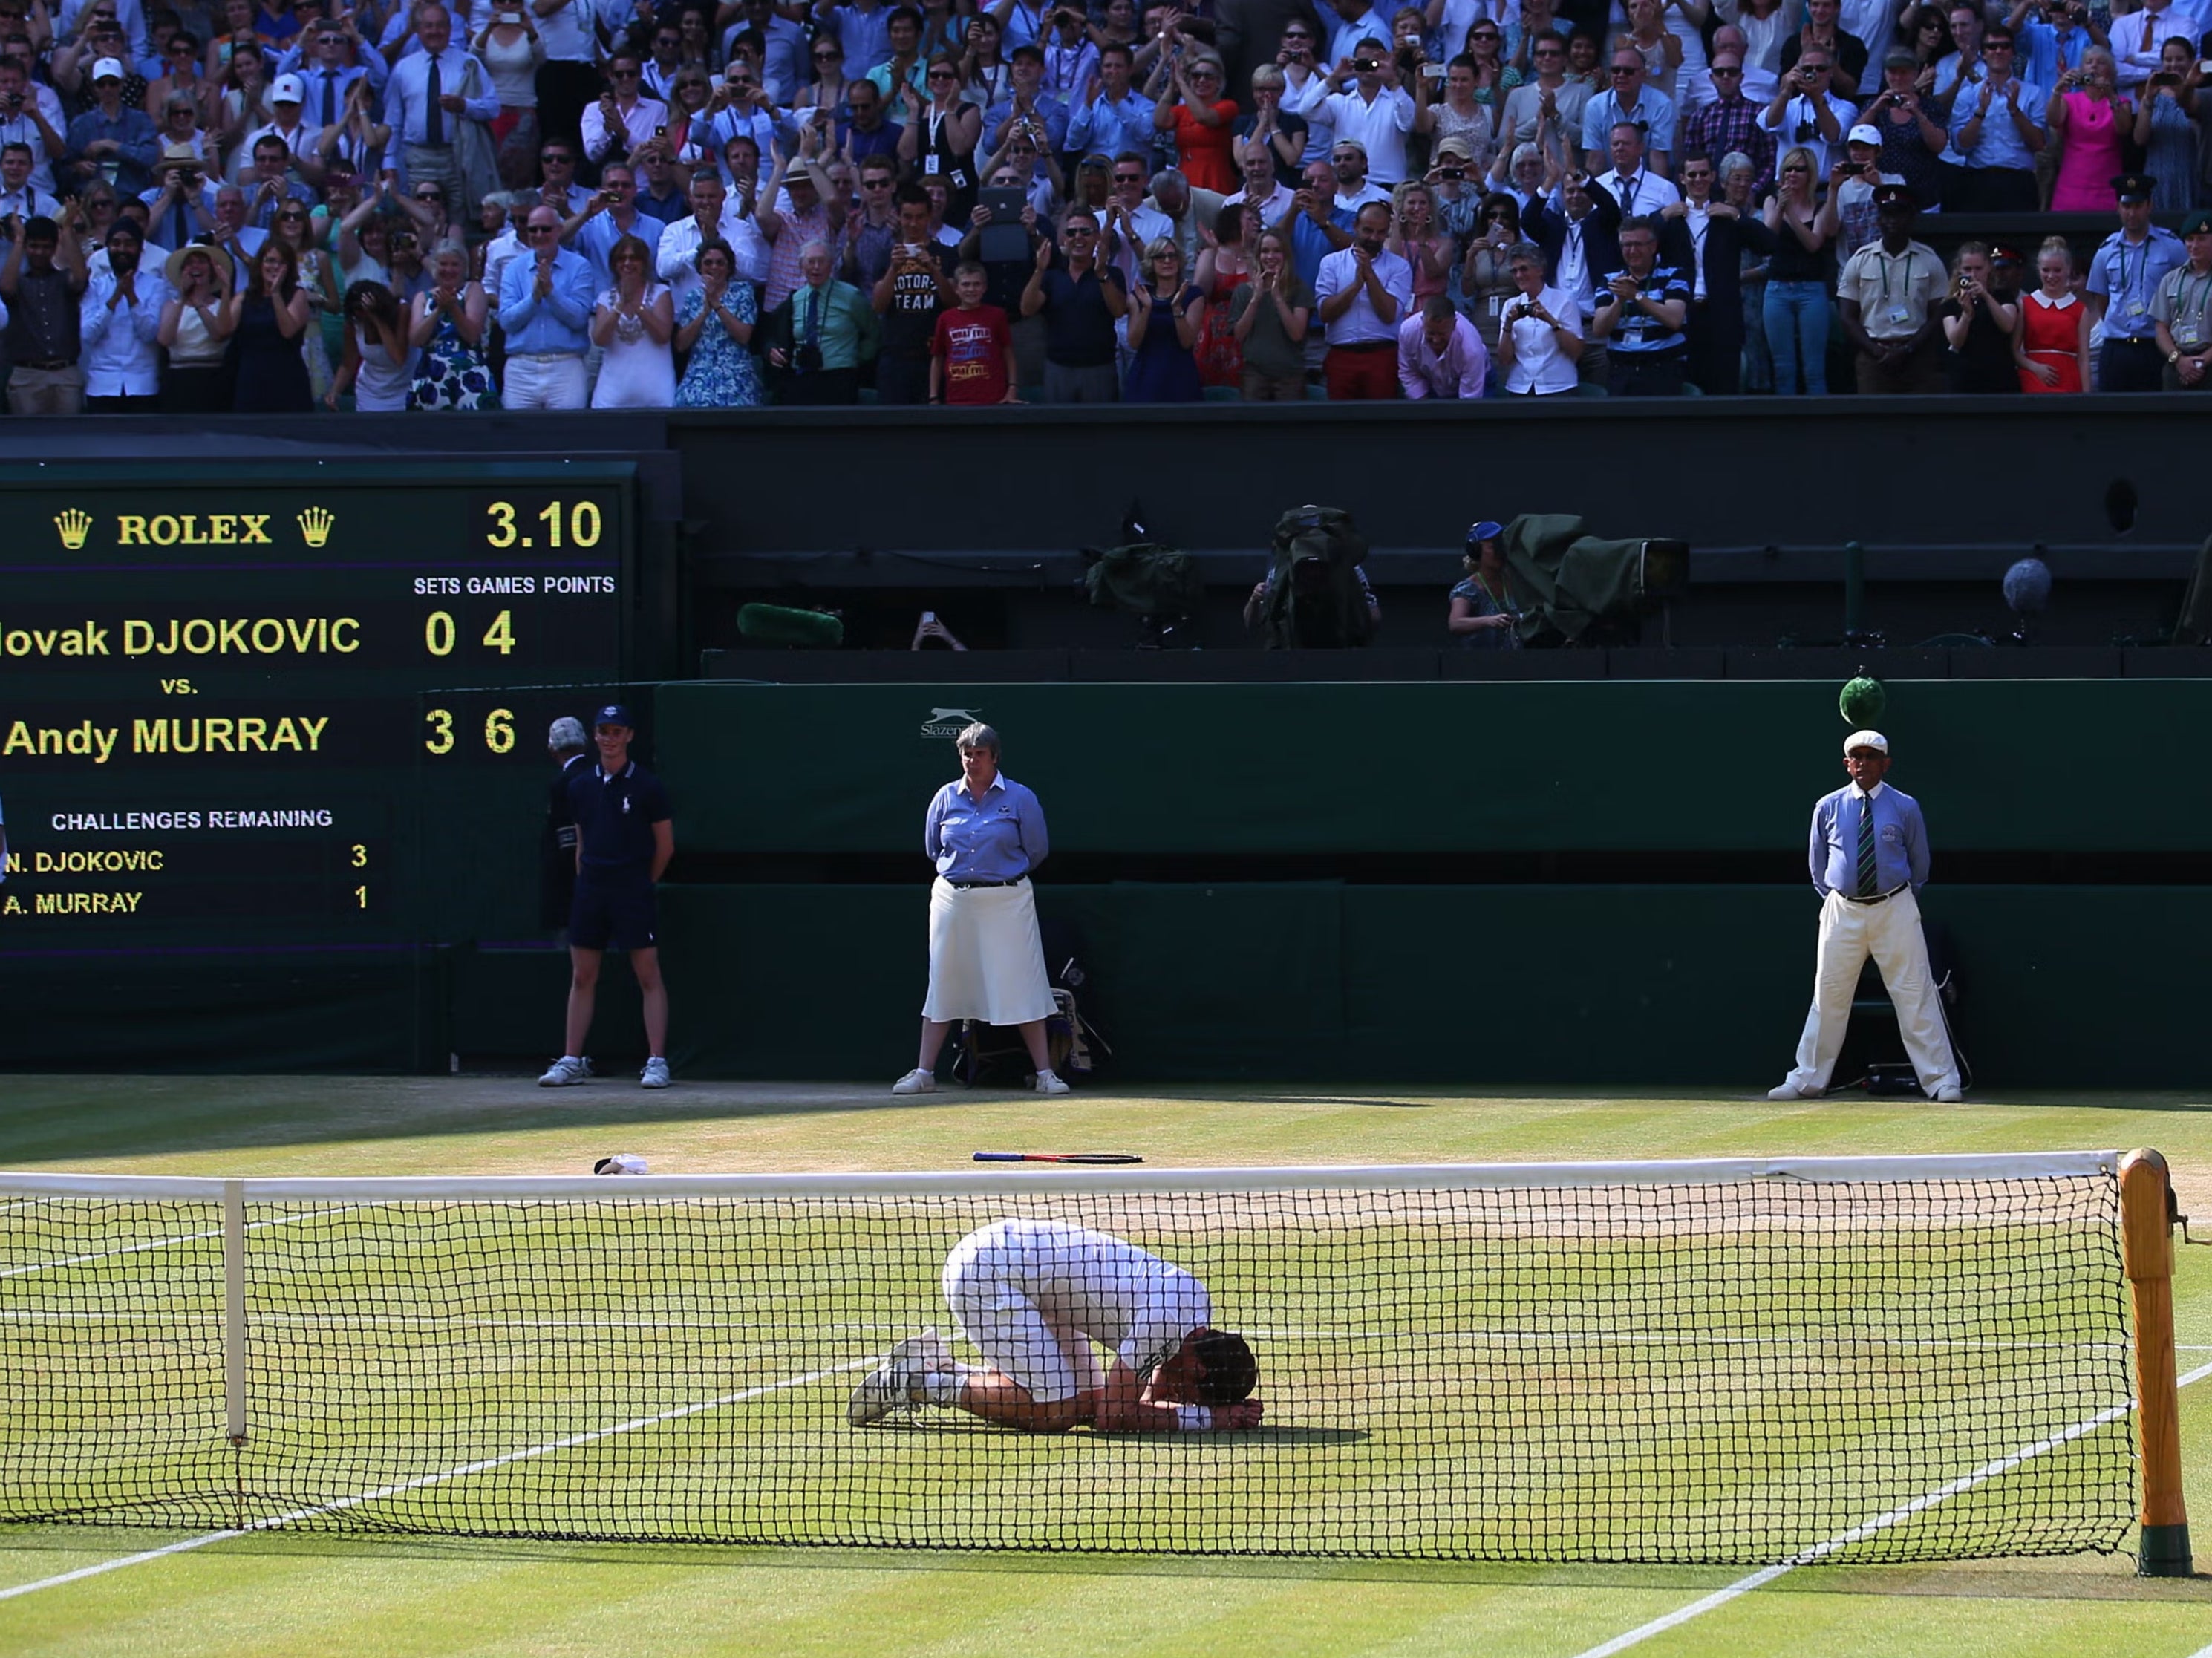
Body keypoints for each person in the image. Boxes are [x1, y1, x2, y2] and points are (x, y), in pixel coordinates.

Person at [846, 1218, 1263, 1433]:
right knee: (1058, 1411)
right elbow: (1113, 1419)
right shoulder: (1168, 1323)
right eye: (1190, 1393)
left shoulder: (1193, 1315)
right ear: (1199, 1368)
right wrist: (1210, 1420)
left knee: (1083, 1399)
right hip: (990, 1273)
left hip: (1024, 1277)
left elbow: (1128, 1401)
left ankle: (946, 1370)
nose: (1180, 1397)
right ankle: (914, 1382)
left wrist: (1178, 1407)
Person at [1769, 730, 1963, 1104]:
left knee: (1915, 993)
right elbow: (1817, 865)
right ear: (1846, 764)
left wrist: (1893, 898)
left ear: (1885, 764)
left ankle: (1941, 1080)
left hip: (1895, 906)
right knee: (1829, 994)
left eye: (1871, 756)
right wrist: (1843, 899)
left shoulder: (1906, 806)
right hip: (1842, 909)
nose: (1863, 763)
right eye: (1856, 757)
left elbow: (1919, 863)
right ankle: (1808, 1078)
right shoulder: (1827, 806)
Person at [892, 722, 1069, 1098]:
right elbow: (933, 850)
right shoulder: (944, 797)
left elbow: (1036, 850)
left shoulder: (1020, 798)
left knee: (1021, 981)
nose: (972, 761)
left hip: (1007, 900)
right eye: (966, 754)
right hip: (952, 901)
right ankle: (924, 1072)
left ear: (995, 757)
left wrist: (997, 875)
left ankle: (1045, 1073)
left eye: (979, 754)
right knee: (944, 980)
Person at [539, 705, 673, 1091]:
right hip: (591, 891)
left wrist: (640, 882)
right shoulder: (579, 787)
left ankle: (657, 1062)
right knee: (582, 976)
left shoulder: (647, 786)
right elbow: (581, 841)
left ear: (629, 735)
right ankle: (571, 1060)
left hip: (632, 889)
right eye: (603, 731)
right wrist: (589, 880)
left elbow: (665, 845)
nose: (609, 738)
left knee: (648, 974)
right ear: (594, 736)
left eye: (616, 731)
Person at [1658, 149, 1767, 394]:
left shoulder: (1726, 218)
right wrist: (1662, 216)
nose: (1698, 179)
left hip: (1722, 318)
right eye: (1692, 174)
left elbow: (1769, 244)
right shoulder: (1671, 220)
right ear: (1682, 178)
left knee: (1724, 390)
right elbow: (1639, 242)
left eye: (1703, 174)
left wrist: (1737, 215)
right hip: (1682, 315)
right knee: (1685, 389)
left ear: (1713, 176)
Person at [1836, 182, 1941, 392]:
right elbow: (1847, 316)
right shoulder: (1859, 260)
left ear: (1911, 219)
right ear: (1878, 220)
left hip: (1917, 356)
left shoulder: (1929, 260)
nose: (1892, 221)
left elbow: (1938, 314)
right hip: (1873, 356)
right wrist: (1877, 352)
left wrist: (1910, 348)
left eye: (1899, 214)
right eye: (1886, 214)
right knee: (1873, 423)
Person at [2087, 173, 2184, 392]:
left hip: (2155, 346)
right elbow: (2102, 300)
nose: (2132, 213)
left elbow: (2184, 289)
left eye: (2138, 206)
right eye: (2126, 206)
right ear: (2118, 207)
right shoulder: (2106, 251)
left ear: (2150, 206)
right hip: (2116, 347)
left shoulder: (2171, 246)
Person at [1022, 203, 1126, 400]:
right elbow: (1027, 309)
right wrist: (1039, 270)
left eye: (1085, 232)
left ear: (1097, 237)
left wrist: (1101, 273)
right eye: (1071, 232)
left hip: (1099, 368)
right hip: (1058, 368)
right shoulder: (1052, 277)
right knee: (1059, 430)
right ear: (1064, 239)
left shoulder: (1113, 274)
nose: (1078, 237)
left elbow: (1119, 310)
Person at [496, 200, 592, 407]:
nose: (539, 235)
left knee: (567, 435)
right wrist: (534, 298)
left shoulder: (579, 266)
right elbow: (506, 321)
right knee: (517, 435)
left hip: (566, 365)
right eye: (533, 230)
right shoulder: (514, 269)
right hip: (521, 368)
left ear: (558, 230)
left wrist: (550, 293)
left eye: (545, 229)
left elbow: (579, 319)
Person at [763, 237, 878, 402]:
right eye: (811, 262)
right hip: (802, 377)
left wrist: (855, 357)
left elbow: (873, 333)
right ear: (801, 266)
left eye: (821, 262)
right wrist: (772, 350)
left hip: (840, 378)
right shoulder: (794, 299)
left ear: (831, 265)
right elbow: (772, 335)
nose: (816, 268)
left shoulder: (851, 296)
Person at [1314, 197, 1409, 396]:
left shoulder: (1399, 266)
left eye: (1381, 232)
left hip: (1382, 355)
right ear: (1355, 226)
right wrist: (1356, 285)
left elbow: (1389, 314)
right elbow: (1325, 313)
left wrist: (1369, 275)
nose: (1374, 238)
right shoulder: (1331, 263)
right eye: (1368, 230)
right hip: (1341, 354)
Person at [1946, 25, 2043, 210]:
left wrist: (2015, 111)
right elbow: (1961, 147)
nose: (1998, 51)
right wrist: (1980, 111)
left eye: (2005, 46)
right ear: (1983, 54)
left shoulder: (2033, 93)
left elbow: (2039, 144)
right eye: (1992, 47)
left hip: (2019, 181)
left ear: (2013, 53)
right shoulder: (1968, 95)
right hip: (1978, 180)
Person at [1590, 212, 1688, 394]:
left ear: (1653, 246)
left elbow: (1674, 320)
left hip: (1663, 370)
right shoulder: (1610, 280)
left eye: (1638, 245)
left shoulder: (1673, 275)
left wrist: (1636, 296)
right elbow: (1599, 330)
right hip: (1621, 371)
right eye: (1627, 245)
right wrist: (1619, 301)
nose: (1632, 251)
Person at [1760, 144, 1829, 396]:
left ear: (1810, 173)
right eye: (1787, 169)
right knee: (1783, 368)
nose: (1792, 174)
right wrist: (1781, 208)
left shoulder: (1819, 206)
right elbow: (1767, 240)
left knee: (1814, 369)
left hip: (1811, 289)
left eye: (1799, 169)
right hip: (1777, 289)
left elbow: (1814, 244)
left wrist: (1793, 215)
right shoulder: (1770, 200)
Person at [4, 212, 88, 412]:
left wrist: (67, 231)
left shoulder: (64, 280)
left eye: (45, 246)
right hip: (27, 374)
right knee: (28, 440)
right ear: (26, 247)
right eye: (33, 246)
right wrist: (19, 240)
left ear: (54, 248)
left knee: (71, 439)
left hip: (65, 372)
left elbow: (80, 277)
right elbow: (6, 288)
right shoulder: (19, 283)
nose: (39, 252)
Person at [673, 237, 766, 407]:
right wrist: (704, 312)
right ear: (700, 267)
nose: (714, 267)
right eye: (708, 263)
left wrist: (717, 304)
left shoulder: (743, 293)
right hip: (698, 378)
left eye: (720, 263)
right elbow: (681, 344)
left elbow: (744, 336)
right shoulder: (693, 297)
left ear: (729, 267)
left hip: (735, 378)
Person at [406, 236, 496, 408]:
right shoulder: (422, 298)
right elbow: (416, 339)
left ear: (464, 268)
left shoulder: (474, 290)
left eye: (455, 264)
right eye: (443, 264)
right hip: (431, 374)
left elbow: (472, 335)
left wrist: (453, 308)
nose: (449, 269)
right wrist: (438, 310)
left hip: (469, 374)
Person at [588, 232, 676, 407]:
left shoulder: (661, 293)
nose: (627, 263)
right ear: (614, 264)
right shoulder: (604, 298)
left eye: (634, 258)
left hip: (657, 393)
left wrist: (636, 305)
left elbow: (663, 335)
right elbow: (599, 339)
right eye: (622, 258)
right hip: (612, 395)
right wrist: (620, 304)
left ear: (644, 263)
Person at [226, 235, 312, 408]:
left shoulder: (298, 295)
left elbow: (288, 332)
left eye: (281, 263)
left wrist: (276, 293)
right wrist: (225, 288)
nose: (275, 267)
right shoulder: (244, 296)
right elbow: (223, 330)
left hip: (287, 378)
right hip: (250, 378)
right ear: (260, 264)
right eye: (270, 261)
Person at [1227, 222, 1309, 397]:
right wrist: (1256, 298)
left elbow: (1296, 334)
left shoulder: (1299, 289)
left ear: (1285, 255)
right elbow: (1239, 335)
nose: (1270, 256)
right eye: (1265, 251)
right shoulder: (1243, 291)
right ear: (1258, 255)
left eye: (1277, 251)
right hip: (1254, 374)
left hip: (1290, 374)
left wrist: (1278, 297)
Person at [1492, 237, 1581, 394]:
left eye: (1524, 269)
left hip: (1558, 386)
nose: (1519, 275)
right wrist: (1508, 325)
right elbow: (1504, 360)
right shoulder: (1510, 305)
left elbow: (1576, 351)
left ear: (1540, 270)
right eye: (1514, 271)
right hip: (1520, 386)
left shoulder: (1564, 301)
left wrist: (1550, 321)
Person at [2046, 46, 2125, 212]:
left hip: (2107, 187)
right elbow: (2053, 120)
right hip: (2072, 187)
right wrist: (2057, 91)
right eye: (2089, 62)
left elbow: (2124, 129)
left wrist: (2111, 96)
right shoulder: (2069, 100)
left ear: (2110, 72)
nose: (2094, 66)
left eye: (2101, 63)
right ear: (2082, 70)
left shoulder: (2121, 102)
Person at [930, 255, 1018, 402]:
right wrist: (933, 397)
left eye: (977, 284)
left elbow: (1008, 353)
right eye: (966, 285)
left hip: (993, 396)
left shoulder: (997, 315)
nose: (971, 289)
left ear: (985, 287)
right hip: (957, 397)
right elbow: (937, 358)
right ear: (956, 289)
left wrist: (1012, 387)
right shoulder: (945, 318)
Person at [1939, 238, 2017, 394]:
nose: (1973, 274)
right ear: (1959, 270)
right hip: (1964, 382)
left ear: (1989, 267)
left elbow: (2008, 325)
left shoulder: (2003, 296)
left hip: (2000, 381)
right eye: (1967, 269)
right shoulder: (1951, 304)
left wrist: (1986, 296)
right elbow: (1955, 341)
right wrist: (1966, 315)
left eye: (1978, 268)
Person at [2133, 38, 2199, 215]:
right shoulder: (2154, 97)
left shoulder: (2201, 96)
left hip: (2192, 178)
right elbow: (2139, 139)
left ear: (2191, 61)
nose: (2174, 64)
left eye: (2180, 59)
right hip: (2158, 178)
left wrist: (2184, 98)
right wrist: (2147, 99)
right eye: (2168, 60)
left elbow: (2202, 136)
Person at [2014, 232, 2087, 393]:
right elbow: (2014, 351)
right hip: (2033, 380)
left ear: (2068, 269)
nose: (2051, 276)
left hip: (2069, 380)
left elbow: (2083, 359)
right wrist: (2035, 367)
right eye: (2046, 270)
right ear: (2038, 270)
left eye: (2057, 270)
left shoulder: (2080, 309)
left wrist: (2087, 397)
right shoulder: (2025, 304)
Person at [327, 272, 413, 407]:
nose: (361, 316)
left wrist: (377, 319)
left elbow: (399, 358)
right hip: (369, 393)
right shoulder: (353, 324)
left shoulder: (402, 310)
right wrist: (334, 392)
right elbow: (348, 364)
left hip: (404, 391)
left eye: (363, 311)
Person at [539, 714, 589, 938]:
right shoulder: (602, 776)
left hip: (570, 894)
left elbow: (567, 845)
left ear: (553, 749)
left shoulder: (562, 784)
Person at [2153, 209, 2212, 389]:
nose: (2194, 246)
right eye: (2190, 239)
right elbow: (2161, 327)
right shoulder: (2171, 280)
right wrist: (2178, 360)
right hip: (2177, 364)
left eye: (2201, 239)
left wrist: (2201, 362)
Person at [1397, 289, 1486, 394]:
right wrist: (1422, 407)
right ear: (1422, 322)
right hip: (1431, 382)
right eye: (1431, 333)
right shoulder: (1408, 331)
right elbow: (1409, 372)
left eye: (1441, 334)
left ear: (1454, 325)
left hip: (1477, 379)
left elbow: (1469, 402)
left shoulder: (1471, 347)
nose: (1436, 340)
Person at [1449, 518, 1520, 644]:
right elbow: (1455, 623)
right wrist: (1488, 621)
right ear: (1477, 551)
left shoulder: (1514, 582)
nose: (1500, 552)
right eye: (1494, 547)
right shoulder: (1468, 589)